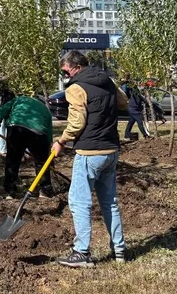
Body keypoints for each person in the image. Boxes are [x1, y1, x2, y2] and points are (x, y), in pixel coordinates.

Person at [53, 51, 129, 268]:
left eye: (65, 70)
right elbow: (123, 102)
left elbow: (76, 124)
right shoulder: (108, 81)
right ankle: (119, 250)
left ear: (75, 67)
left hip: (89, 152)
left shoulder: (76, 88)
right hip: (111, 150)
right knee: (109, 201)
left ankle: (82, 252)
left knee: (79, 201)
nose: (65, 74)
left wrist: (61, 141)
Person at [0, 95, 54, 200]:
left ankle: (10, 191)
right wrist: (48, 145)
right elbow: (49, 132)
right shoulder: (45, 110)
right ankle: (44, 191)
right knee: (41, 163)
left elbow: (0, 111)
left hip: (16, 129)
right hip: (38, 133)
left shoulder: (18, 100)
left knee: (12, 161)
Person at [0, 81, 15, 156]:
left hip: (2, 112)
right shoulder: (11, 92)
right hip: (10, 112)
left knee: (1, 130)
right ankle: (6, 148)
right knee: (7, 130)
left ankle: (2, 149)